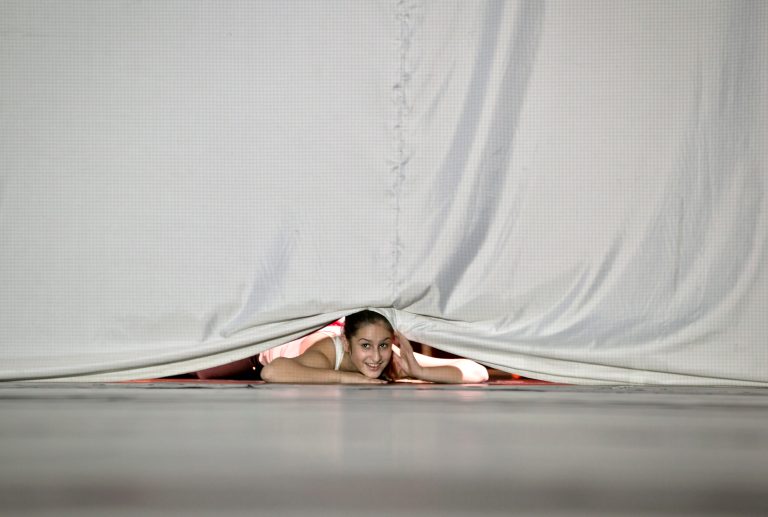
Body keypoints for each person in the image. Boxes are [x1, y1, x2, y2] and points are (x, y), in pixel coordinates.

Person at [195, 310, 488, 384]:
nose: (375, 358)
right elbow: (271, 372)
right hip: (254, 353)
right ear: (347, 345)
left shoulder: (389, 358)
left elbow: (477, 372)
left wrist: (420, 371)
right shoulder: (327, 351)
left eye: (383, 345)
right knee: (202, 371)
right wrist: (350, 378)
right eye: (365, 346)